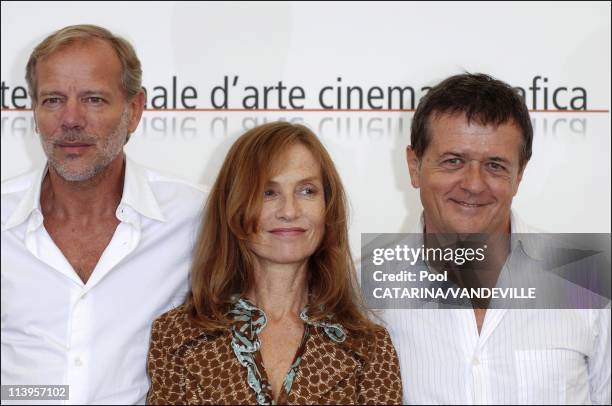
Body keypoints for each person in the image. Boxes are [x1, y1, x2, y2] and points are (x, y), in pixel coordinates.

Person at [1, 25, 205, 404]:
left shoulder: (196, 218)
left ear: (134, 110)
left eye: (93, 99)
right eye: (53, 100)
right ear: (33, 111)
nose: (71, 119)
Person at [383, 73, 611, 404]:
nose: (473, 184)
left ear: (519, 174)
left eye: (494, 165)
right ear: (414, 165)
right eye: (453, 161)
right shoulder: (362, 293)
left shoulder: (588, 277)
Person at [147, 121, 403, 404]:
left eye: (307, 191)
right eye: (268, 192)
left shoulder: (368, 346)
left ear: (328, 207)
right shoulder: (176, 336)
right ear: (235, 206)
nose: (289, 211)